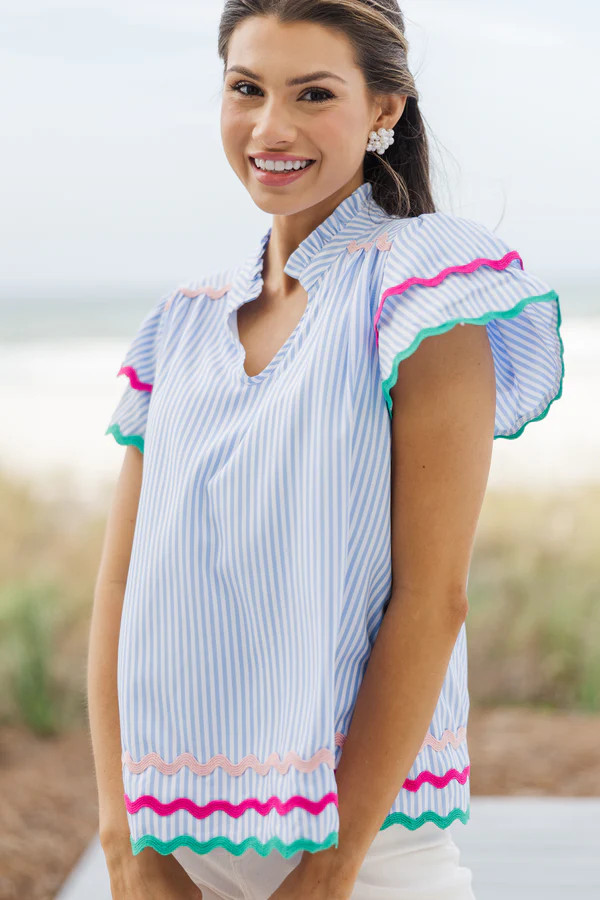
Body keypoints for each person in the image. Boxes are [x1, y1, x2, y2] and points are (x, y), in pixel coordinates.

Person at [87, 2, 564, 898]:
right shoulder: (180, 325)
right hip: (171, 849)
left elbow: (433, 601)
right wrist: (126, 846)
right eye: (246, 89)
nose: (272, 127)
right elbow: (121, 586)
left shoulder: (424, 292)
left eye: (313, 93)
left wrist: (329, 870)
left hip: (364, 858)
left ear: (384, 108)